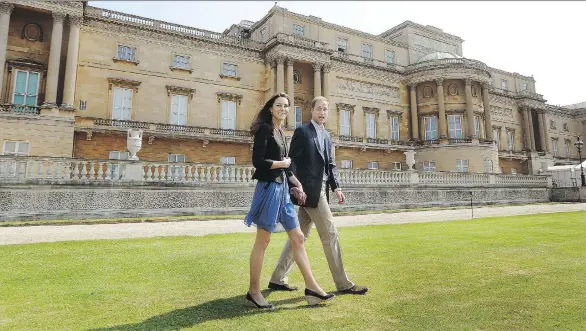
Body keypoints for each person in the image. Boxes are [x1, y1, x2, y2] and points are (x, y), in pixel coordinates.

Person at [268, 96, 368, 296]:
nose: (322, 113)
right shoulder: (303, 132)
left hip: (321, 189)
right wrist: (295, 186)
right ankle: (343, 284)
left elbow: (330, 164)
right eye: (319, 109)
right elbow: (292, 161)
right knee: (330, 234)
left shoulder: (327, 135)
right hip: (310, 191)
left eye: (325, 110)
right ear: (311, 110)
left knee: (299, 236)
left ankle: (277, 278)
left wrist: (337, 187)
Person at [244, 92, 335, 309]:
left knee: (298, 237)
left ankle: (312, 287)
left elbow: (285, 167)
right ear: (270, 108)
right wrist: (282, 164)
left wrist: (297, 183)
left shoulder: (281, 131)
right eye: (279, 105)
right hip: (268, 189)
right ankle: (254, 292)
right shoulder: (265, 129)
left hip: (283, 190)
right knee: (263, 242)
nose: (283, 109)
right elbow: (259, 162)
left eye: (286, 106)